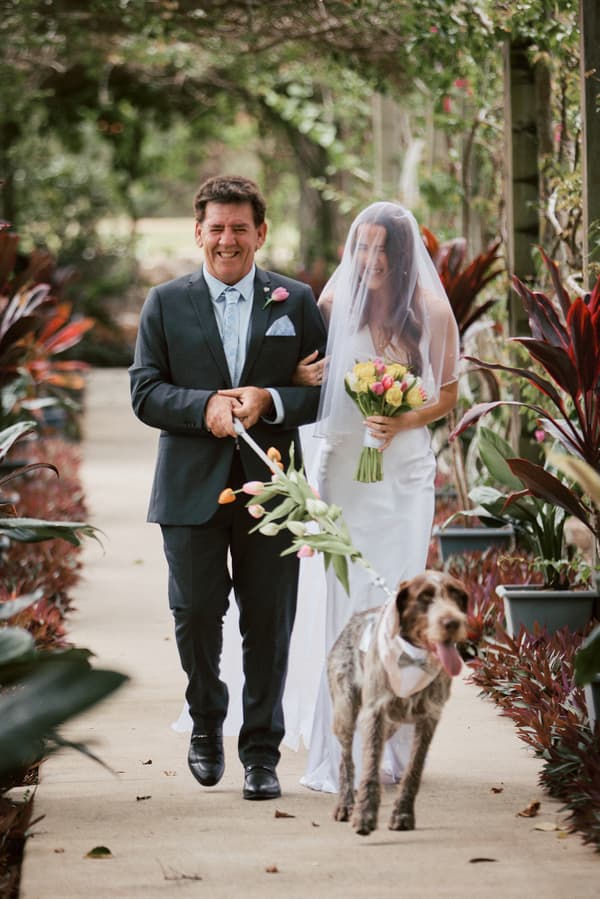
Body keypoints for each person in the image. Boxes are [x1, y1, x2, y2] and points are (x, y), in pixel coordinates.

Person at [129, 175, 327, 801]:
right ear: (198, 233)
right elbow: (144, 390)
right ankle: (207, 720)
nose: (228, 239)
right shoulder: (164, 302)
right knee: (195, 616)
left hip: (273, 490)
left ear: (261, 233)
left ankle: (262, 754)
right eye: (216, 227)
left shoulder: (294, 302)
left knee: (269, 623)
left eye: (240, 227)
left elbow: (323, 393)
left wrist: (271, 397)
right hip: (189, 490)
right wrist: (203, 407)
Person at [290, 200, 460, 792]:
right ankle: (343, 743)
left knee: (397, 597)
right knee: (347, 595)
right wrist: (303, 377)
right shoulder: (334, 305)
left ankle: (395, 741)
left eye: (382, 247)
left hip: (405, 477)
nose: (370, 258)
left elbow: (447, 396)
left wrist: (401, 421)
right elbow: (308, 376)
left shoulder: (432, 313)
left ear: (403, 253)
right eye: (361, 247)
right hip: (346, 478)